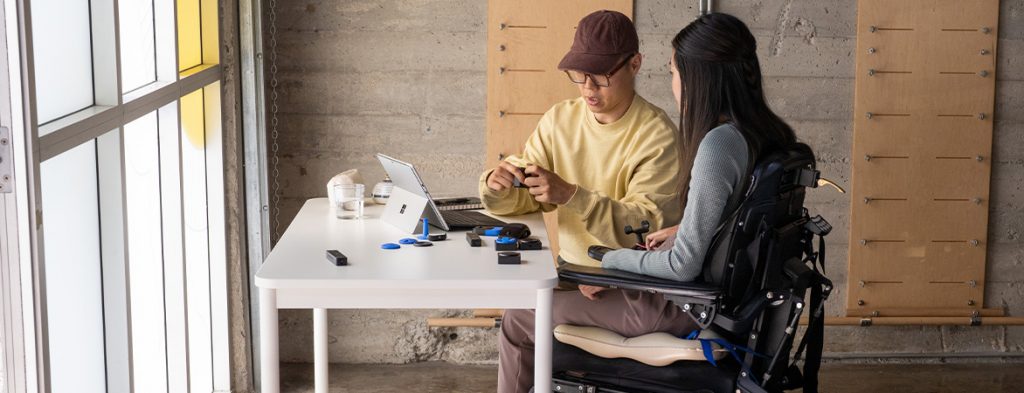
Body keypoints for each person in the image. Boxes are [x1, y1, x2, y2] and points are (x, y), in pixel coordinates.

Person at [496, 13, 800, 393]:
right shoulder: (765, 136)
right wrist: (679, 230)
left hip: (678, 304)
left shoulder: (716, 145)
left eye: (673, 71)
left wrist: (603, 263)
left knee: (521, 316)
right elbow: (734, 227)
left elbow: (681, 265)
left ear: (697, 78)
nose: (672, 83)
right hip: (715, 300)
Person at [479, 10, 682, 267]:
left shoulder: (658, 136)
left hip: (629, 275)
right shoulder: (560, 119)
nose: (588, 86)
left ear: (635, 64)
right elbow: (528, 199)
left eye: (601, 74)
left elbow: (647, 231)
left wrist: (572, 195)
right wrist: (498, 186)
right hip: (568, 266)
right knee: (518, 304)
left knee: (522, 308)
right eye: (579, 73)